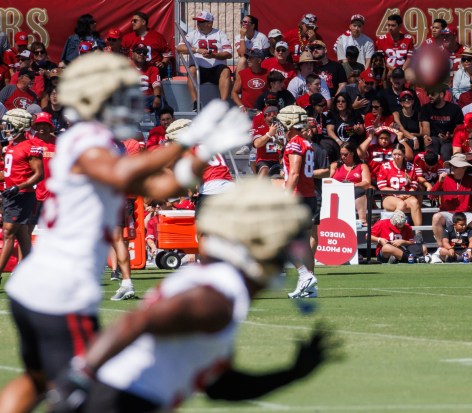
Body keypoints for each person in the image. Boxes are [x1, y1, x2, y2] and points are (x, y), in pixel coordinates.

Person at [0, 53, 251, 413]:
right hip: (61, 289)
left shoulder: (92, 140)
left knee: (38, 380)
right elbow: (120, 176)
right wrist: (186, 140)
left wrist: (203, 151)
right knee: (88, 392)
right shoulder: (86, 137)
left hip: (41, 284)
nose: (128, 104)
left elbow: (162, 188)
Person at [45, 178, 337, 413]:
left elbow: (221, 387)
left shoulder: (217, 286)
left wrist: (292, 373)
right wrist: (80, 376)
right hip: (118, 401)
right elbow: (138, 323)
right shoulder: (216, 299)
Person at [276, 105, 319, 298]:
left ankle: (304, 275)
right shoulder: (306, 142)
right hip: (309, 196)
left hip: (297, 197)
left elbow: (294, 172)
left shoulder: (294, 143)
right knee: (303, 241)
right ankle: (310, 286)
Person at [0, 108, 43, 278]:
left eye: (8, 125)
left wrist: (18, 187)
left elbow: (39, 174)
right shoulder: (11, 145)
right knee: (22, 235)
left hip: (22, 195)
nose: (5, 128)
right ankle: (32, 273)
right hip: (11, 194)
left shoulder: (30, 147)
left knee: (9, 232)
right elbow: (9, 172)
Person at [177, 11, 233, 107]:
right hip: (199, 69)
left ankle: (223, 104)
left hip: (216, 68)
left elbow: (228, 53)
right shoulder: (192, 34)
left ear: (209, 23)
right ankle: (196, 103)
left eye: (201, 22)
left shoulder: (220, 34)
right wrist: (197, 50)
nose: (198, 24)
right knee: (191, 70)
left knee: (226, 71)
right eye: (198, 21)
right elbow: (179, 48)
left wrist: (214, 56)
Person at [430, 153, 472, 246]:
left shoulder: (471, 180)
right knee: (436, 217)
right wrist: (439, 182)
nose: (452, 167)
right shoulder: (444, 179)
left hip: (465, 214)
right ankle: (441, 247)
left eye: (455, 166)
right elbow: (431, 196)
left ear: (464, 168)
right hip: (448, 213)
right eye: (451, 165)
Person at [377, 142, 430, 229]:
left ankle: (419, 232)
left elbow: (415, 183)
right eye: (394, 154)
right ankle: (393, 230)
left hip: (406, 195)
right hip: (389, 197)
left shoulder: (409, 167)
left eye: (399, 154)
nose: (396, 157)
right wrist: (397, 193)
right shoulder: (385, 166)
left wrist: (408, 193)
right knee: (401, 204)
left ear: (404, 155)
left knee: (415, 202)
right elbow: (381, 186)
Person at [26, 112, 56, 232]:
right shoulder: (29, 144)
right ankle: (27, 251)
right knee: (29, 227)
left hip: (55, 194)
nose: (42, 127)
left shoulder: (59, 143)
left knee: (55, 229)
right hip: (35, 194)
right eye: (39, 124)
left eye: (45, 124)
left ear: (50, 126)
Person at [121, 11, 173, 78]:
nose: (132, 23)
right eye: (132, 21)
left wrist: (162, 63)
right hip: (133, 72)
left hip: (153, 71)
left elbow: (167, 53)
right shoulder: (127, 38)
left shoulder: (157, 37)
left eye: (135, 21)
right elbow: (122, 54)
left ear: (143, 22)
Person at [330, 141, 371, 225]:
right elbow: (328, 179)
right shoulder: (335, 165)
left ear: (352, 153)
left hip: (354, 191)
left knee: (360, 191)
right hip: (337, 191)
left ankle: (362, 220)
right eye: (341, 154)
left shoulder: (362, 166)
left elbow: (367, 182)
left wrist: (352, 185)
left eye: (346, 154)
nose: (343, 157)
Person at [420, 87, 464, 161]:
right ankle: (431, 171)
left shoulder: (455, 109)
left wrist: (450, 136)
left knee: (446, 152)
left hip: (449, 139)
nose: (429, 96)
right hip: (433, 138)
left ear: (441, 94)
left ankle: (446, 171)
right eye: (428, 94)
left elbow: (460, 130)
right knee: (431, 152)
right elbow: (425, 127)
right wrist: (426, 136)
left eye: (432, 94)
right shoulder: (426, 108)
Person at [130, 43, 163, 118]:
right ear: (132, 53)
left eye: (144, 53)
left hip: (147, 99)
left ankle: (160, 127)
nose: (141, 54)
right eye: (138, 52)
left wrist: (157, 97)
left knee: (161, 100)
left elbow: (156, 85)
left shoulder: (152, 68)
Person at [231, 48, 268, 113]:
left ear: (259, 60)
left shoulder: (268, 74)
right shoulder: (242, 74)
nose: (248, 60)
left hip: (263, 111)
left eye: (251, 58)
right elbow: (234, 92)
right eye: (247, 57)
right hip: (247, 110)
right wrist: (241, 106)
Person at [251, 105, 282, 177]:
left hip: (278, 159)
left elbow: (286, 144)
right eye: (269, 113)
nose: (272, 115)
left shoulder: (282, 129)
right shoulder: (260, 129)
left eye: (274, 113)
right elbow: (257, 144)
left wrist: (278, 140)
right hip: (263, 159)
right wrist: (269, 134)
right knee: (264, 169)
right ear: (264, 117)